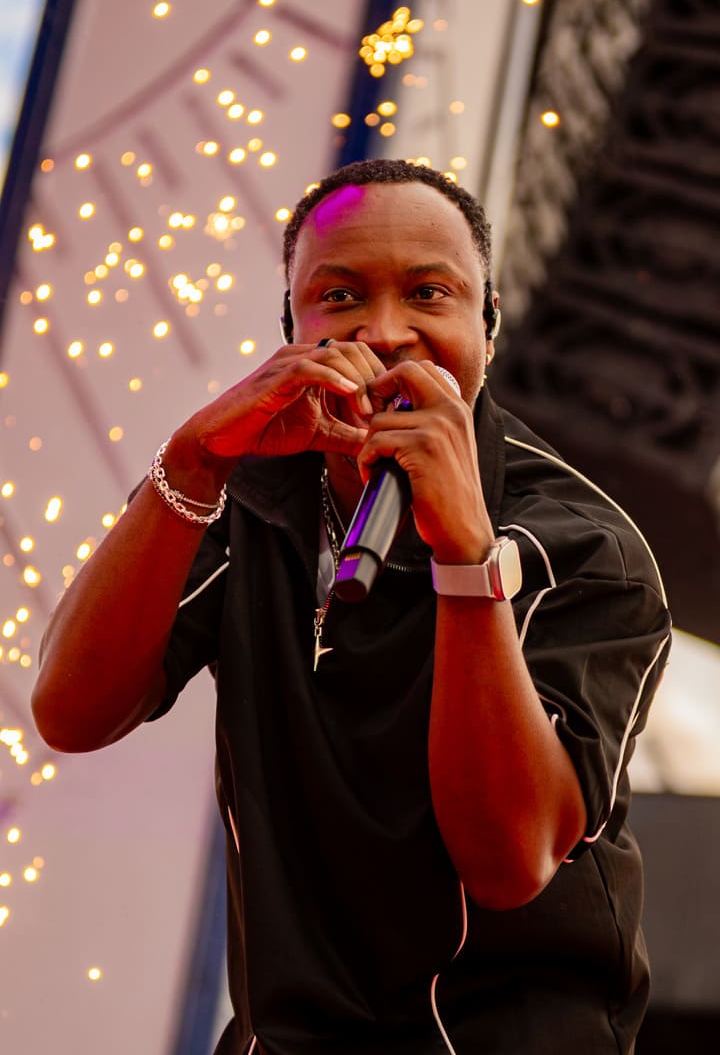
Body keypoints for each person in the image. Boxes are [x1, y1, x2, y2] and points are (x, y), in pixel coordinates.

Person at [32, 159, 671, 1054]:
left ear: (488, 327)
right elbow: (72, 713)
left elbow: (510, 860)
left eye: (429, 293)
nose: (385, 330)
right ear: (291, 329)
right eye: (340, 297)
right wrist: (192, 464)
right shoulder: (246, 496)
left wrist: (464, 557)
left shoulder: (583, 547)